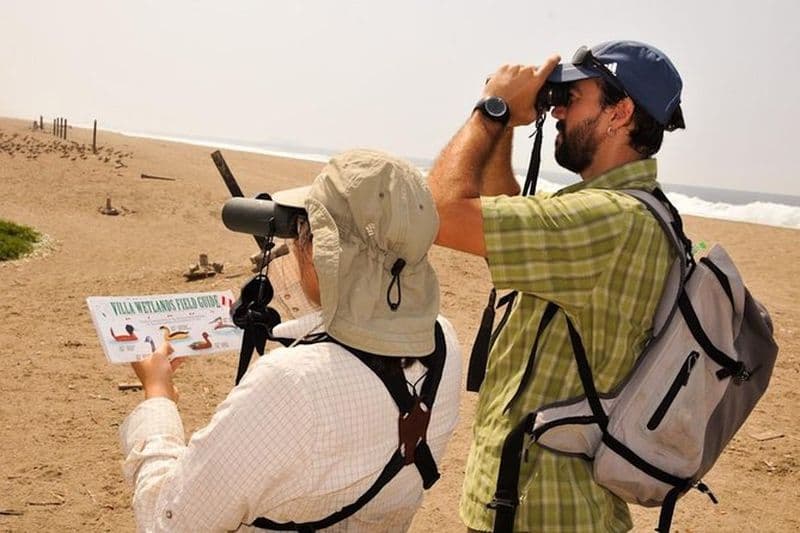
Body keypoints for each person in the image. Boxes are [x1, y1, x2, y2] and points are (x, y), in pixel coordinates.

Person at [120, 149, 462, 531]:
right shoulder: (445, 342)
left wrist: (158, 396)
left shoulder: (290, 383)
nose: (297, 245)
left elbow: (169, 521)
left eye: (304, 231)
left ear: (321, 252)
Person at [428, 41, 686, 531]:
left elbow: (439, 215)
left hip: (542, 510)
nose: (559, 109)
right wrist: (505, 132)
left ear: (621, 112)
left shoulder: (611, 219)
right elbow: (497, 219)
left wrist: (492, 110)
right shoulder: (620, 211)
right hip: (541, 500)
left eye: (575, 96)